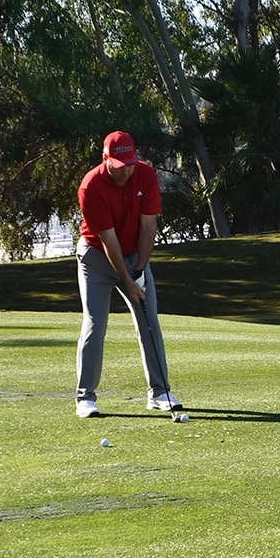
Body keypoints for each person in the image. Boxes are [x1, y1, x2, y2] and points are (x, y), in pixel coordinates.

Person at [75, 130, 182, 418]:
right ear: (105, 159)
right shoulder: (91, 187)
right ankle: (85, 397)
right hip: (97, 257)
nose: (127, 171)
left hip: (135, 256)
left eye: (130, 163)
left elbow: (149, 228)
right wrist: (127, 280)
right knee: (96, 323)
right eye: (120, 166)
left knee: (149, 319)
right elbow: (109, 242)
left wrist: (139, 271)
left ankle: (159, 393)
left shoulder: (145, 175)